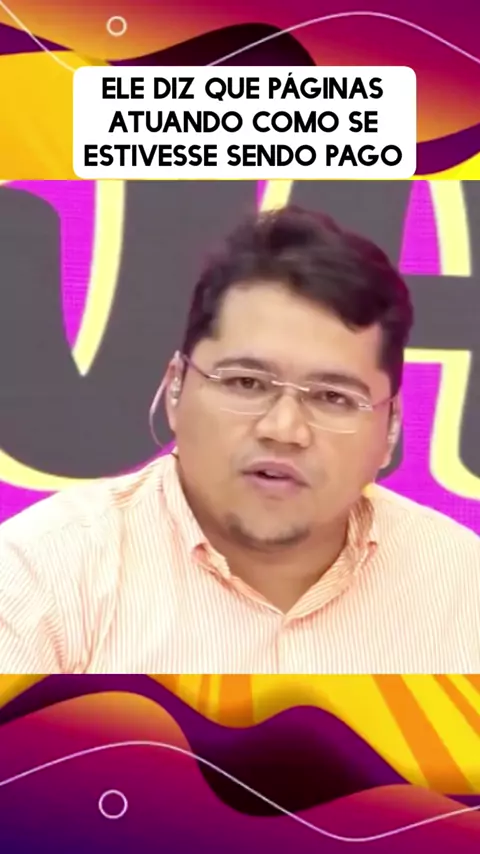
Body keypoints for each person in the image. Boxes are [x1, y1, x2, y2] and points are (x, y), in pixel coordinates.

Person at [0, 205, 479, 675]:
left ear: (391, 426)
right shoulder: (40, 578)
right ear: (175, 388)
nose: (284, 430)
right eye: (246, 383)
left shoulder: (462, 587)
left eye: (333, 397)